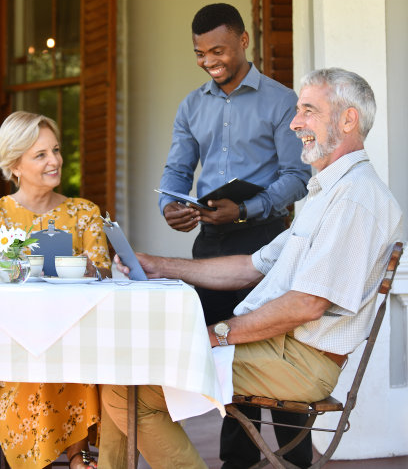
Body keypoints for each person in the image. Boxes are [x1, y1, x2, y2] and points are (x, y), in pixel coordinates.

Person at [100, 68, 402, 469]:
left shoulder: (354, 199)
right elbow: (249, 266)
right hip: (281, 350)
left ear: (348, 119)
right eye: (298, 111)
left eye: (308, 111)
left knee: (128, 390)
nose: (295, 123)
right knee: (123, 374)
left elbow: (307, 304)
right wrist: (157, 265)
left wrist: (217, 334)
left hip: (297, 362)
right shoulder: (328, 194)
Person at [158, 3, 312, 468]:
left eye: (218, 50)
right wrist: (171, 205)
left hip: (267, 239)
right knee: (224, 351)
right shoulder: (191, 105)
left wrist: (245, 207)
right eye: (200, 53)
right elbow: (177, 169)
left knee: (278, 349)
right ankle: (237, 460)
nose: (209, 61)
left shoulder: (283, 101)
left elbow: (296, 177)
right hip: (210, 243)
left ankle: (295, 460)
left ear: (243, 42)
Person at [0, 111, 111, 469]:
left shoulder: (84, 212)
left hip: (73, 333)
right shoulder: (1, 216)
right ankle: (65, 456)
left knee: (66, 354)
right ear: (14, 165)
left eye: (56, 150)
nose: (55, 161)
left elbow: (103, 272)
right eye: (41, 155)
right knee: (30, 360)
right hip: (11, 339)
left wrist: (84, 267)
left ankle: (76, 453)